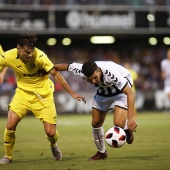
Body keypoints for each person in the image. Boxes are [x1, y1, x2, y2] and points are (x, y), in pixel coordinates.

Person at [0, 33, 86, 164]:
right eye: (27, 52)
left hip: (43, 96)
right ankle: (8, 156)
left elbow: (55, 74)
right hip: (22, 94)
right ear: (19, 49)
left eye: (31, 52)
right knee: (10, 125)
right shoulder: (7, 56)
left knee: (51, 133)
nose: (30, 55)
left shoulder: (40, 57)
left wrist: (72, 93)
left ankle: (53, 145)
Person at [54, 61, 137, 160]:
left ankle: (126, 128)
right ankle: (102, 152)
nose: (93, 81)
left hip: (121, 91)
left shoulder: (112, 74)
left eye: (95, 78)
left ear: (98, 71)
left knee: (118, 123)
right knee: (95, 123)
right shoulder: (81, 69)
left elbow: (130, 93)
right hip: (103, 91)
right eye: (90, 80)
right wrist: (46, 68)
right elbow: (65, 66)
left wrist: (131, 117)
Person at [161, 48, 170, 113]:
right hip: (167, 82)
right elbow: (163, 72)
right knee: (168, 95)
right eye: (168, 52)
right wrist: (163, 76)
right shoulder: (164, 62)